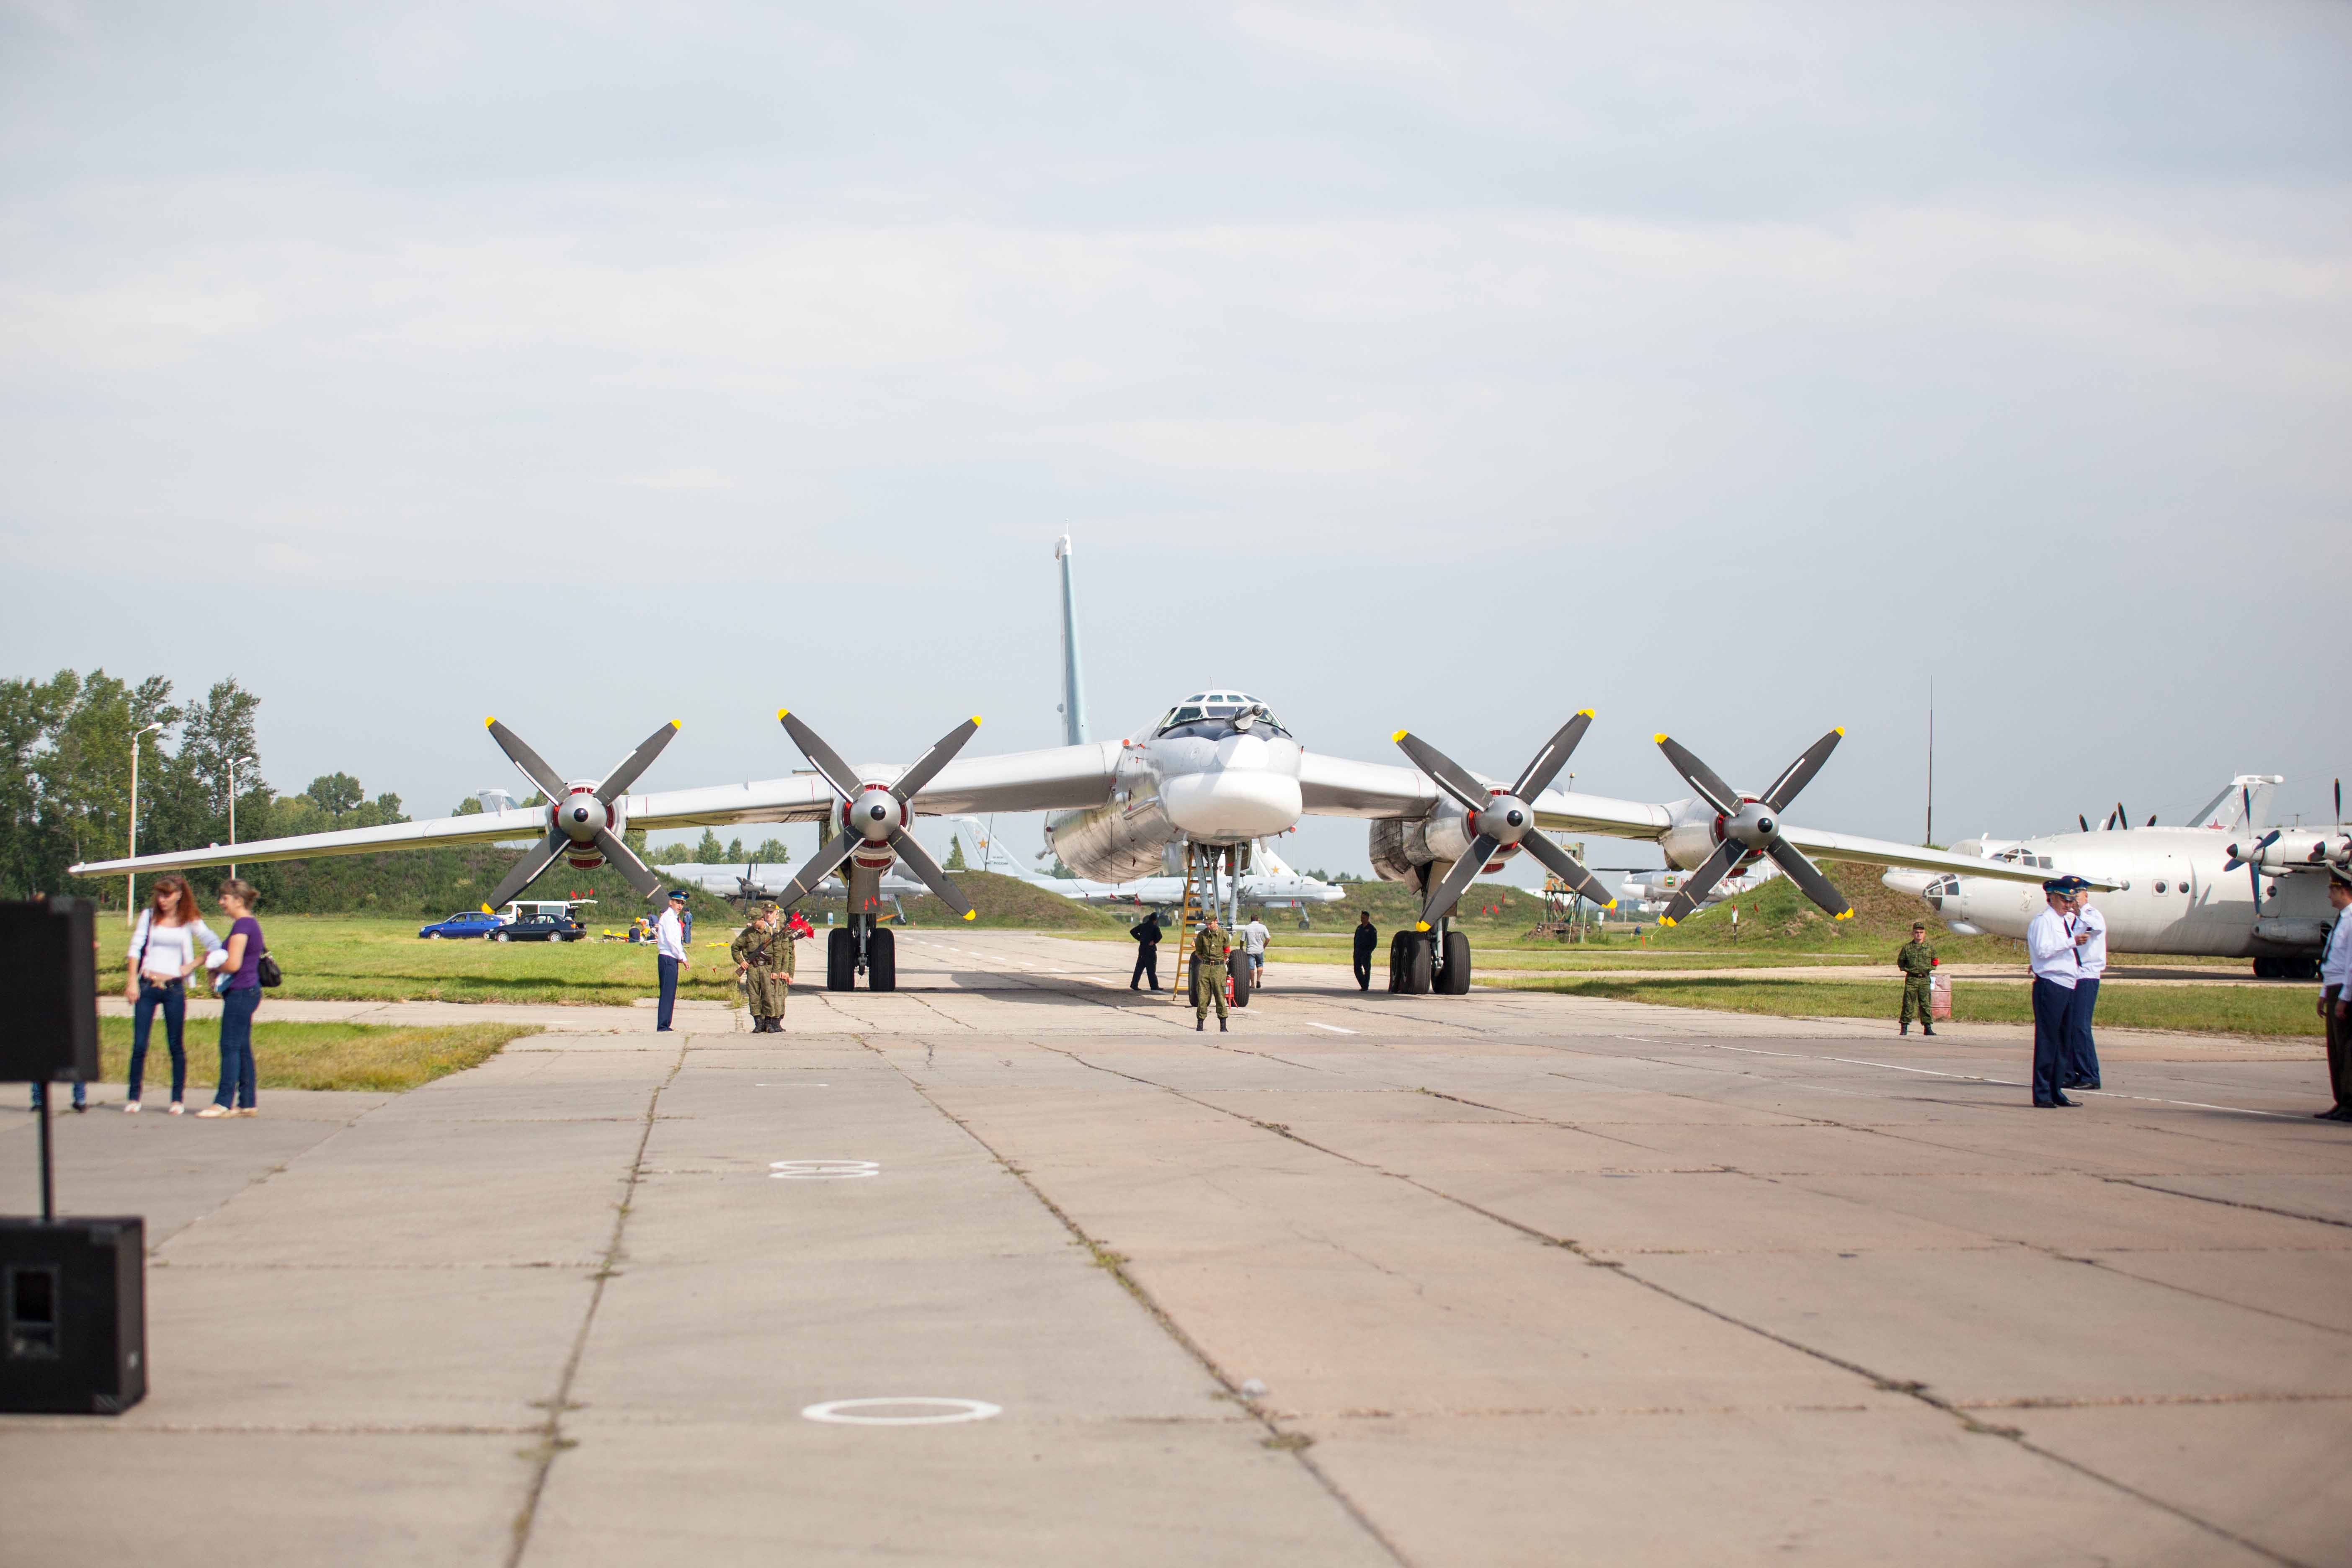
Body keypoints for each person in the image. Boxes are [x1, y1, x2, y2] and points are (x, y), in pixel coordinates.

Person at [125, 872, 219, 1114]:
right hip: (148, 985)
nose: (162, 900)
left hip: (173, 988)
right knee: (139, 1045)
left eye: (167, 895)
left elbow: (214, 943)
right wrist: (132, 982)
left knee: (175, 1044)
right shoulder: (148, 916)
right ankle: (134, 1096)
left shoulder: (189, 919)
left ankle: (177, 1098)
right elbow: (136, 947)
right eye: (160, 894)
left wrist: (193, 965)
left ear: (179, 895)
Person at [199, 878, 267, 1119]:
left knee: (229, 1046)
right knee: (241, 1048)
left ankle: (223, 1102)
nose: (221, 903)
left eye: (224, 898)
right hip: (248, 991)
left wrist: (213, 968)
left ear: (238, 901)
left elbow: (234, 963)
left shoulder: (242, 927)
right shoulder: (250, 924)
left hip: (241, 992)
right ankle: (248, 1102)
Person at [2024, 879, 2090, 1108]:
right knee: (2048, 1039)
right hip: (2051, 983)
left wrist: (2078, 914)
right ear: (2051, 897)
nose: (2068, 904)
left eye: (2071, 900)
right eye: (2064, 899)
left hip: (2067, 983)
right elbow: (2043, 951)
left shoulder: (2065, 921)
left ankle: (2056, 1090)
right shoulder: (2044, 922)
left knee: (2063, 1041)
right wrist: (2071, 942)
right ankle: (2043, 1093)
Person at [2063, 876, 2106, 1091]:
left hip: (2088, 975)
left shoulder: (2092, 914)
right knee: (2069, 1025)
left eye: (2077, 895)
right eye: (2072, 896)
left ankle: (2090, 1074)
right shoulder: (2071, 918)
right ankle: (2070, 1073)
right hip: (2072, 974)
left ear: (2086, 895)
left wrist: (2080, 912)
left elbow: (2096, 928)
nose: (2074, 899)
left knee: (2081, 1026)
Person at [2317, 865, 2352, 1121]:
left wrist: (2344, 998)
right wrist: (2323, 992)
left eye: (2332, 889)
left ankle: (2350, 1104)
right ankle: (2341, 1101)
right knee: (2336, 1050)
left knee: (2347, 1050)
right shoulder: (2343, 919)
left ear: (2343, 890)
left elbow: (2351, 963)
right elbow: (2333, 960)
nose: (2329, 895)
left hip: (2344, 989)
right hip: (2334, 986)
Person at [730, 901, 794, 1032]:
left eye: (755, 921)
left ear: (761, 919)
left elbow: (779, 953)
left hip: (768, 968)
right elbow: (735, 947)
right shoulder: (748, 933)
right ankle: (758, 1023)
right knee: (753, 996)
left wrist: (777, 971)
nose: (753, 923)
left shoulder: (772, 933)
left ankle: (769, 1024)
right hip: (753, 969)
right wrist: (741, 962)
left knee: (769, 996)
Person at [655, 890, 691, 1032]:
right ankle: (663, 1025)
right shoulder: (669, 917)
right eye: (678, 902)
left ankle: (666, 1023)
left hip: (671, 957)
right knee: (667, 992)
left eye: (682, 903)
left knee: (670, 993)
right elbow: (672, 941)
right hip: (668, 957)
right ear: (671, 902)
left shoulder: (674, 918)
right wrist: (683, 958)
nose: (680, 906)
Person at [1895, 921, 1938, 1037]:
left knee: (1925, 1004)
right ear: (1913, 933)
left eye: (1921, 932)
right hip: (1912, 979)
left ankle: (1927, 1028)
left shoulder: (1929, 948)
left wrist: (1930, 968)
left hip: (1924, 979)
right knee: (1908, 1004)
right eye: (1917, 932)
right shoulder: (1908, 948)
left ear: (1925, 934)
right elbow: (1901, 961)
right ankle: (1904, 1027)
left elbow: (1935, 960)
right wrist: (1907, 969)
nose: (1919, 935)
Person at [1191, 916, 1230, 1032]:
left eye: (1210, 924)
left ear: (1216, 921)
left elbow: (1227, 952)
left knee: (1220, 996)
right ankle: (1200, 1025)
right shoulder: (1202, 935)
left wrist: (1219, 963)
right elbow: (1198, 952)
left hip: (1219, 969)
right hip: (1205, 968)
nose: (1208, 926)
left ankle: (1223, 1026)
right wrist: (1207, 962)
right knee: (1203, 997)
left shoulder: (1224, 934)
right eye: (1206, 924)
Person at [1129, 910, 1163, 991]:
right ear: (1155, 920)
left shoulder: (1142, 926)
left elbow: (1132, 931)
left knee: (1139, 968)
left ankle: (1134, 984)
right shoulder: (1155, 928)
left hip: (1142, 950)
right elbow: (1160, 937)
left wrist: (1140, 939)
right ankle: (1154, 986)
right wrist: (1154, 942)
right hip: (1151, 951)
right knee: (1151, 970)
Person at [1352, 910, 1378, 991]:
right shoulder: (1359, 928)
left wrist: (1369, 951)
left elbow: (1374, 942)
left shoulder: (1372, 929)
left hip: (1366, 952)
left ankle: (1365, 986)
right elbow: (1355, 940)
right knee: (1357, 969)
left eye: (1363, 918)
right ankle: (1363, 983)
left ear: (1367, 918)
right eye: (1361, 918)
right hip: (1358, 952)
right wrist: (1355, 950)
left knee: (1367, 969)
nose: (1362, 919)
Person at [1242, 915, 1269, 986]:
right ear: (1258, 919)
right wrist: (1264, 947)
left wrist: (1241, 947)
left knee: (1251, 968)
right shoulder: (1263, 927)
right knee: (1260, 965)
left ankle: (1253, 984)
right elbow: (1268, 938)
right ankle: (1258, 980)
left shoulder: (1247, 927)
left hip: (1250, 951)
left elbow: (1242, 940)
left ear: (1251, 920)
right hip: (1260, 950)